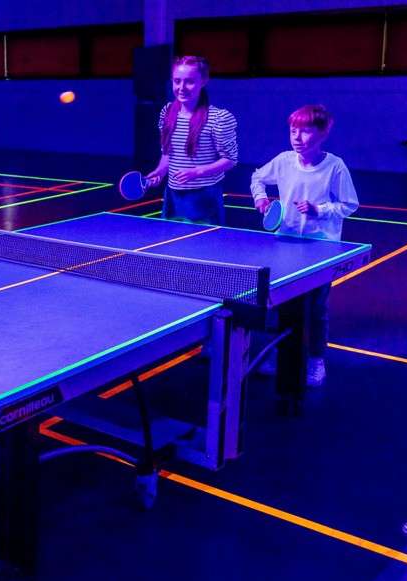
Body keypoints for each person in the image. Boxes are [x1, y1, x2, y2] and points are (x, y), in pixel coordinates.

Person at [250, 104, 359, 386]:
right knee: (281, 303)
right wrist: (260, 197)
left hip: (321, 248)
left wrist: (319, 210)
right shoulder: (284, 161)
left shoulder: (335, 167)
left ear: (322, 133)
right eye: (292, 131)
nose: (297, 137)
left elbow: (349, 204)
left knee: (317, 308)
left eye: (305, 131)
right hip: (285, 243)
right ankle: (279, 355)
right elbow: (257, 177)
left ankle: (316, 360)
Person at [144, 55, 239, 224]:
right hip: (173, 196)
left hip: (204, 197)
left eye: (189, 81)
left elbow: (230, 160)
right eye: (177, 81)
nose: (181, 87)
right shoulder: (167, 112)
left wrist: (197, 172)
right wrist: (160, 171)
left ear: (204, 81)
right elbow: (167, 152)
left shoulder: (219, 118)